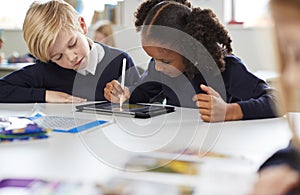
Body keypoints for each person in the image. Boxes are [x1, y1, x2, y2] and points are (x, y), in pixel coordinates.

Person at [104, 0, 277, 122]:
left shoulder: (225, 67)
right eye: (153, 59)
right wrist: (125, 94)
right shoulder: (160, 67)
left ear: (189, 50)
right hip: (178, 143)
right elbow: (144, 94)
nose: (157, 67)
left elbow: (275, 100)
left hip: (219, 143)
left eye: (165, 61)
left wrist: (230, 111)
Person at [0, 0, 140, 103]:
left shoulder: (120, 61)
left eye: (72, 44)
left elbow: (147, 97)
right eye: (58, 56)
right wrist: (46, 95)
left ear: (82, 25)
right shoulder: (46, 70)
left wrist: (127, 94)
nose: (71, 57)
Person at [251, 0, 300, 194]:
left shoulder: (232, 69)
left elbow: (271, 101)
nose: (289, 77)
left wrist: (233, 110)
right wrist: (280, 166)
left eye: (298, 55)